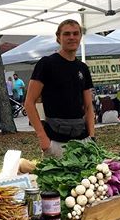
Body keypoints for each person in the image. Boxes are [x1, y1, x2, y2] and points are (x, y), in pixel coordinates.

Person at [24, 19, 95, 158]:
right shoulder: (47, 64)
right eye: (67, 34)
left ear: (80, 37)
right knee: (60, 180)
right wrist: (43, 138)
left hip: (83, 139)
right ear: (58, 37)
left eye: (75, 34)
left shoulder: (82, 68)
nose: (72, 37)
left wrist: (92, 137)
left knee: (86, 178)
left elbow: (88, 106)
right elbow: (29, 103)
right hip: (56, 141)